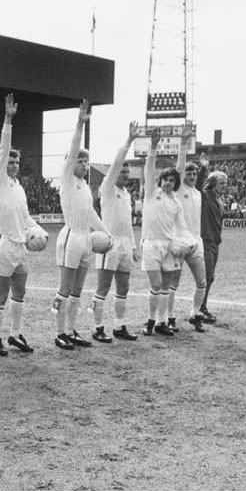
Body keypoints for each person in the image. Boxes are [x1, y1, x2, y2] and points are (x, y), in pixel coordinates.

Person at [50, 99, 112, 350]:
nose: (84, 166)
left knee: (78, 289)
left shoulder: (86, 186)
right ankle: (58, 332)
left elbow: (91, 214)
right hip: (69, 237)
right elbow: (74, 146)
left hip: (86, 238)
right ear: (71, 163)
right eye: (80, 161)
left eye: (86, 162)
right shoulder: (66, 179)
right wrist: (79, 123)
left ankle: (72, 330)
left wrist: (106, 233)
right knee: (64, 288)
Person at [0, 94, 45, 356]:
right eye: (10, 161)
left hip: (21, 247)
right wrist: (8, 120)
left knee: (20, 292)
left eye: (16, 162)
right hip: (3, 246)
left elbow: (25, 220)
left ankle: (15, 334)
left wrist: (39, 231)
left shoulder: (19, 187)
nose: (13, 165)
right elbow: (2, 150)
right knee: (0, 295)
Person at [88, 121, 141, 343]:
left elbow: (127, 223)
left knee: (123, 287)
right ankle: (97, 327)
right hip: (108, 244)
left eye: (128, 172)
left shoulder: (127, 194)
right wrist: (129, 141)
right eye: (123, 171)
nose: (126, 175)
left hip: (125, 245)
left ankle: (120, 326)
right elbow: (117, 162)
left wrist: (134, 247)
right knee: (102, 286)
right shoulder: (107, 188)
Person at [139, 128, 190, 336]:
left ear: (176, 183)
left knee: (166, 285)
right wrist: (152, 148)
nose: (169, 182)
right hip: (151, 244)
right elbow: (149, 171)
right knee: (157, 284)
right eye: (166, 179)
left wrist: (187, 242)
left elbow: (182, 227)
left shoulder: (176, 202)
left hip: (169, 245)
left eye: (172, 180)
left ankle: (161, 323)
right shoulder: (152, 193)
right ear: (161, 181)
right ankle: (150, 321)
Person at [166, 123, 207, 332]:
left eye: (194, 173)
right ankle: (170, 317)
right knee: (173, 282)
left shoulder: (198, 193)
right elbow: (179, 166)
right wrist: (183, 142)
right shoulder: (179, 188)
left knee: (202, 281)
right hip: (179, 241)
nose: (191, 176)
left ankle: (195, 313)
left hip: (196, 241)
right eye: (189, 173)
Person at [198, 153, 228, 323]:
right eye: (221, 183)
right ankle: (200, 308)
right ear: (213, 183)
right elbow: (199, 185)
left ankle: (202, 306)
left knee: (210, 277)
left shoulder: (219, 200)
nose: (225, 185)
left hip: (215, 243)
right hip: (205, 242)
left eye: (226, 183)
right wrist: (203, 168)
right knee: (207, 276)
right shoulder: (205, 196)